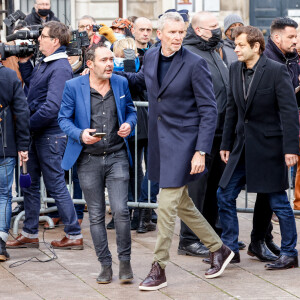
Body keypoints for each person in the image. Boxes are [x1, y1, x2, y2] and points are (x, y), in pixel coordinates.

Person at [119, 12, 234, 291]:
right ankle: (219, 249)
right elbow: (143, 81)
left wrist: (200, 151)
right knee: (183, 204)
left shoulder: (195, 64)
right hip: (161, 141)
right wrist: (111, 73)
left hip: (185, 143)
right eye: (172, 33)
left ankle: (159, 267)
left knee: (167, 203)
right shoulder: (151, 56)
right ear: (160, 34)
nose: (178, 37)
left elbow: (209, 111)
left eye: (181, 33)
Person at [218, 25, 299, 270]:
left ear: (256, 46)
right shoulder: (233, 69)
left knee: (279, 202)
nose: (236, 49)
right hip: (241, 146)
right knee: (224, 194)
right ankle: (230, 248)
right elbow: (232, 107)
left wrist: (290, 148)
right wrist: (226, 143)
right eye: (235, 44)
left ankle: (289, 252)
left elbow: (288, 112)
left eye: (241, 45)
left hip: (269, 147)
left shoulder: (275, 71)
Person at [58, 43, 137, 284]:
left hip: (116, 156)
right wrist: (80, 134)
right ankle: (105, 264)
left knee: (122, 211)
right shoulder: (73, 86)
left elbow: (132, 110)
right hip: (88, 158)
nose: (110, 64)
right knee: (95, 215)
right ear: (90, 64)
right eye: (104, 60)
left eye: (111, 59)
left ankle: (125, 262)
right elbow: (63, 119)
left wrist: (129, 125)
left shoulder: (121, 83)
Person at [6, 21, 83, 250]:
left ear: (55, 41)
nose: (39, 39)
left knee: (55, 184)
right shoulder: (48, 63)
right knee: (29, 186)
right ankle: (30, 232)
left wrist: (26, 126)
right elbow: (35, 86)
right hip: (38, 134)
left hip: (49, 135)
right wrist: (24, 63)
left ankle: (74, 233)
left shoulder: (60, 67)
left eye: (43, 36)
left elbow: (52, 107)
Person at [178, 11, 229, 258]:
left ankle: (213, 236)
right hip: (198, 134)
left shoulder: (213, 50)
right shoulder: (188, 54)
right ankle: (189, 239)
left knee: (214, 189)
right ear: (199, 30)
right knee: (196, 190)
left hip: (219, 132)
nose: (218, 30)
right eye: (213, 26)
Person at [251, 17, 300, 259]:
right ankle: (260, 240)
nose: (296, 41)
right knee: (270, 191)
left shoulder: (290, 58)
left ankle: (262, 239)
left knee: (266, 192)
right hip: (265, 136)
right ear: (277, 37)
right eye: (292, 37)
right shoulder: (268, 60)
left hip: (278, 133)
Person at [0, 58, 30, 261]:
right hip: (5, 144)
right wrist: (23, 145)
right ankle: (0, 244)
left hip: (7, 145)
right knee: (3, 195)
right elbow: (21, 111)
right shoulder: (9, 75)